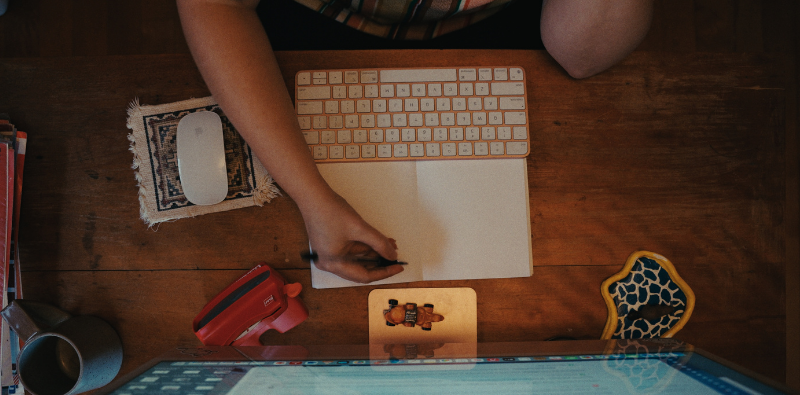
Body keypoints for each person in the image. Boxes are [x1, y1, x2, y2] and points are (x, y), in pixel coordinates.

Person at [176, 0, 654, 283]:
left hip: (499, 27)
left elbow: (581, 58)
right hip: (315, 21)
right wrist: (311, 197)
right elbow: (216, 5)